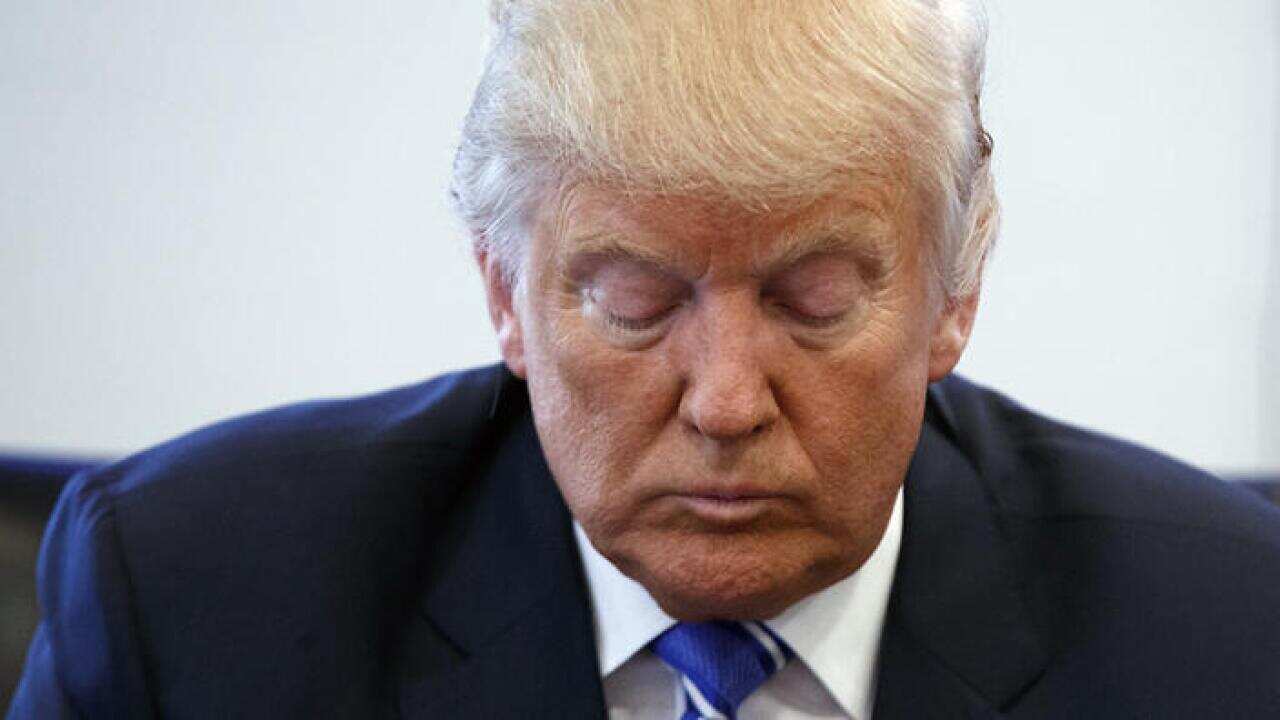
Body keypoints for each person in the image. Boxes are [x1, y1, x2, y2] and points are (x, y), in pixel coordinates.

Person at [9, 1, 1280, 718]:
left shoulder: (1222, 636)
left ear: (954, 296)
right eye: (630, 303)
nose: (726, 402)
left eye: (815, 302)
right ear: (505, 295)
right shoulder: (187, 608)